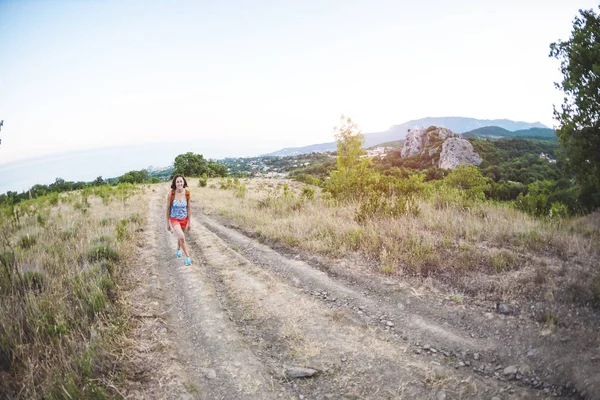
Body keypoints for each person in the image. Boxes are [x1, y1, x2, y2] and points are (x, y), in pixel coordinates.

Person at [166, 174, 192, 265]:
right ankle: (188, 257)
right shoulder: (171, 194)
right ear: (175, 183)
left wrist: (189, 222)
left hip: (184, 219)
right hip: (174, 219)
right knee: (181, 236)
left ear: (184, 182)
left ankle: (178, 249)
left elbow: (189, 208)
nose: (179, 183)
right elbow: (168, 208)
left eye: (181, 181)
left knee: (179, 236)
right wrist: (167, 223)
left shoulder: (187, 193)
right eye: (177, 182)